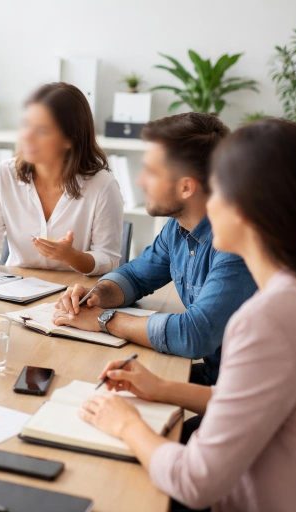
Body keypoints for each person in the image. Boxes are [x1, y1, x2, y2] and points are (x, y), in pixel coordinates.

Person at [78, 119, 296, 512]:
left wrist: (126, 424)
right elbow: (250, 399)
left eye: (221, 189)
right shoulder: (293, 295)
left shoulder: (269, 320)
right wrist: (164, 389)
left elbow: (194, 481)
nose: (211, 201)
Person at [54, 113, 256, 385]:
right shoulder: (178, 228)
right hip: (216, 380)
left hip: (245, 396)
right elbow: (135, 277)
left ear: (186, 187)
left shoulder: (234, 243)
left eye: (151, 172)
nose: (140, 181)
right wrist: (95, 296)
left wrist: (105, 320)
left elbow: (195, 334)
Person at [0, 82, 123, 275]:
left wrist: (72, 256)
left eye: (42, 130)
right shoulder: (3, 175)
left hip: (72, 296)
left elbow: (108, 259)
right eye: (26, 125)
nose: (26, 136)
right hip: (14, 289)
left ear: (70, 139)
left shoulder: (103, 185)